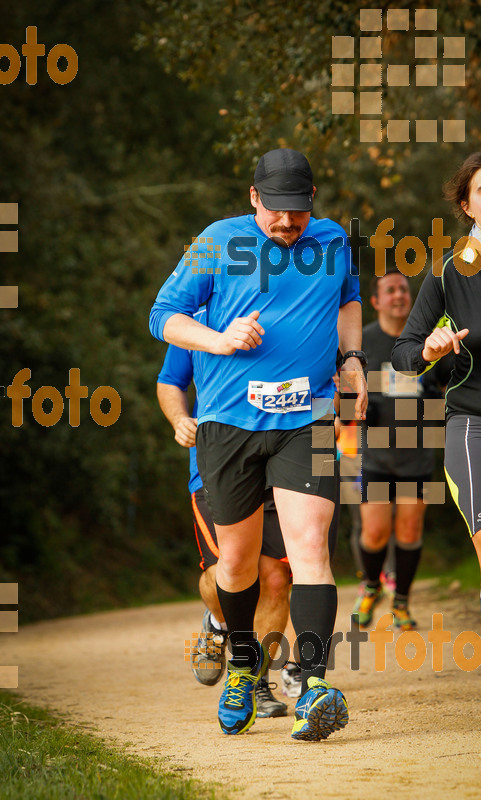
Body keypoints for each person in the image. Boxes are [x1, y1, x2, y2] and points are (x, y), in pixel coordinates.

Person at [150, 147, 367, 740]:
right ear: (254, 200)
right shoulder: (220, 240)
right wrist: (218, 339)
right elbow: (162, 315)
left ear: (312, 201)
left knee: (308, 548)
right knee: (238, 563)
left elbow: (349, 301)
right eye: (275, 211)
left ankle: (316, 683)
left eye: (296, 211)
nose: (286, 223)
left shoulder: (332, 241)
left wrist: (351, 358)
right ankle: (244, 665)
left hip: (309, 416)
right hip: (229, 425)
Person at [391, 151, 481, 733]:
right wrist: (429, 350)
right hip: (479, 429)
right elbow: (403, 353)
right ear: (466, 205)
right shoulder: (452, 270)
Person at [156, 309, 291, 717]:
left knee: (275, 577)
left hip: (281, 462)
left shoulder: (288, 306)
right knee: (229, 570)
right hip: (216, 467)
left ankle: (255, 681)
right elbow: (169, 382)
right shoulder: (195, 318)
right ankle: (218, 622)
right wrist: (180, 418)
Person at [351, 270, 451, 631]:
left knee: (409, 531)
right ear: (376, 301)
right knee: (374, 531)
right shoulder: (362, 341)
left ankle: (403, 603)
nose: (398, 295)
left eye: (403, 289)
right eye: (389, 290)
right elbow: (341, 392)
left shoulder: (427, 341)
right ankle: (372, 586)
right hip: (375, 455)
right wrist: (357, 411)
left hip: (417, 454)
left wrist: (435, 399)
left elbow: (447, 389)